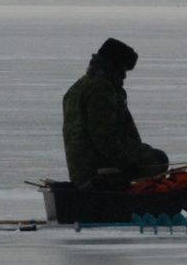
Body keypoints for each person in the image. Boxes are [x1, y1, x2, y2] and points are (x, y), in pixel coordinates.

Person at [62, 37, 169, 188]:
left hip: (79, 168)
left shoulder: (80, 86)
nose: (124, 75)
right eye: (124, 69)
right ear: (116, 65)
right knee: (159, 160)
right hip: (96, 168)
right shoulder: (102, 90)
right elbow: (105, 138)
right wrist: (128, 162)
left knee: (150, 156)